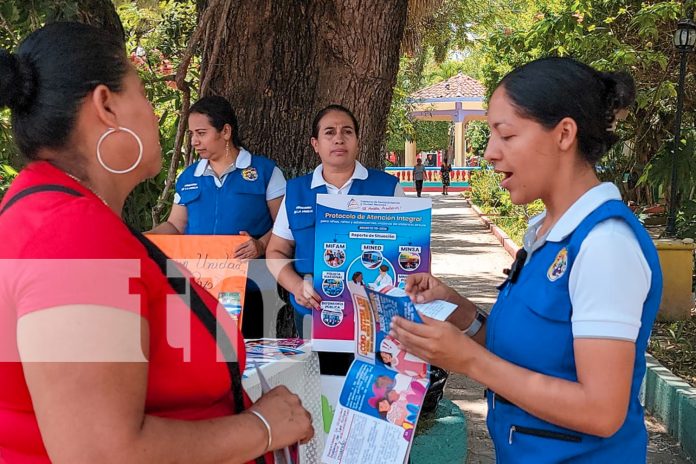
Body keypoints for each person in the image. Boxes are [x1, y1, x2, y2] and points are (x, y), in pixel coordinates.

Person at [0, 22, 312, 463]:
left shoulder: (70, 219)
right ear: (106, 107)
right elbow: (102, 453)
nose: (153, 112)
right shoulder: (71, 235)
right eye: (143, 92)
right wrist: (260, 428)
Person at [390, 57, 661, 463]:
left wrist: (468, 361)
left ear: (564, 134)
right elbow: (525, 351)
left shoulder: (605, 245)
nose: (489, 154)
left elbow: (602, 411)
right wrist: (459, 311)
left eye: (506, 135)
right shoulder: (545, 236)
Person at [149, 95, 286, 339]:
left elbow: (284, 226)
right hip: (198, 286)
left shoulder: (265, 171)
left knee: (248, 361)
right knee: (200, 357)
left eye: (201, 133)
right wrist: (141, 238)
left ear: (225, 131)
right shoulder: (189, 177)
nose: (194, 141)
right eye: (191, 134)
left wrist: (261, 244)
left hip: (250, 287)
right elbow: (175, 225)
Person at [266, 104, 404, 339]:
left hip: (374, 313)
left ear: (358, 141)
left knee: (371, 376)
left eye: (347, 132)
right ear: (315, 144)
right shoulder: (296, 191)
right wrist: (296, 287)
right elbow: (276, 251)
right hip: (313, 310)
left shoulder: (388, 188)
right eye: (329, 132)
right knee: (317, 376)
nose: (339, 139)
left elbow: (408, 253)